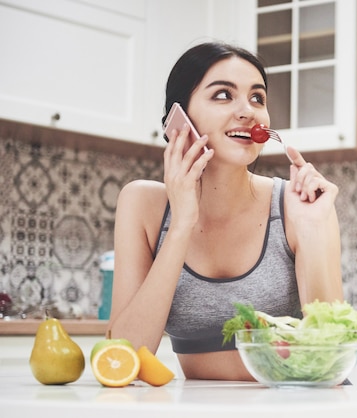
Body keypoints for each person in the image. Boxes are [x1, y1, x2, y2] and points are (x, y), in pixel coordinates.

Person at [106, 42, 343, 380]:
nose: (248, 111)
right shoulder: (143, 205)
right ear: (179, 119)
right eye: (223, 95)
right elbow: (122, 357)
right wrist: (182, 223)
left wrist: (312, 232)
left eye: (257, 98)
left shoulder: (299, 205)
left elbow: (332, 354)